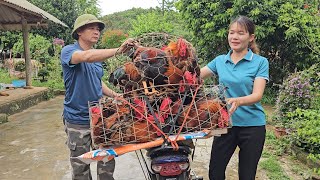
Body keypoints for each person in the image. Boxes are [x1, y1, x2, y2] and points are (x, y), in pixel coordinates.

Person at [60, 14, 134, 180]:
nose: (97, 32)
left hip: (100, 117)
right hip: (77, 120)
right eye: (91, 28)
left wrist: (116, 95)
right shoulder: (69, 51)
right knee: (81, 167)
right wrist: (118, 50)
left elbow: (97, 82)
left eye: (98, 29)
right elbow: (85, 57)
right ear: (79, 31)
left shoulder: (97, 59)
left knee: (107, 160)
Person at [201, 15, 269, 180]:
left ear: (251, 37)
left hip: (252, 127)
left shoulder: (260, 62)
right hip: (225, 125)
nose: (235, 37)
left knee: (247, 175)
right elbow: (195, 76)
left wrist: (238, 101)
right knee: (215, 173)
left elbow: (257, 95)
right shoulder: (220, 61)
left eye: (240, 33)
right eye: (231, 32)